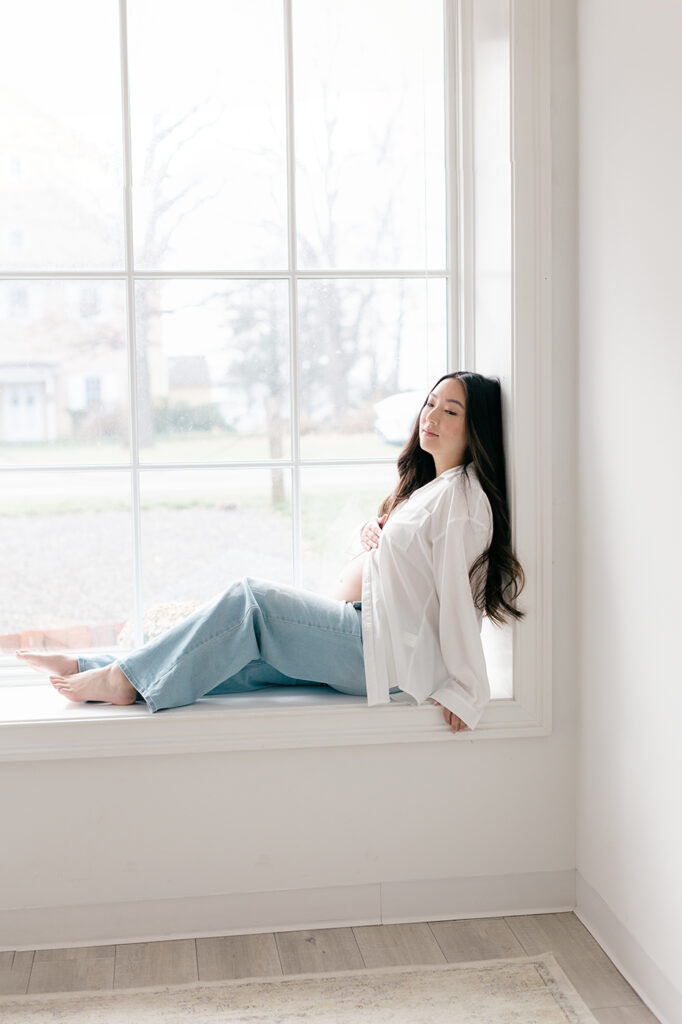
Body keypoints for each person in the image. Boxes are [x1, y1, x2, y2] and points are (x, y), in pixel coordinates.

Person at [16, 372, 524, 734]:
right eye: (430, 403)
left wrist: (465, 687)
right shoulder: (433, 489)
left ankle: (118, 679)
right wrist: (373, 534)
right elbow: (401, 564)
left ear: (475, 427)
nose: (430, 415)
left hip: (377, 650)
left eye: (450, 410)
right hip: (363, 635)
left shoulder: (463, 499)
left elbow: (460, 594)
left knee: (251, 601)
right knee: (229, 652)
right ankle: (91, 664)